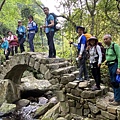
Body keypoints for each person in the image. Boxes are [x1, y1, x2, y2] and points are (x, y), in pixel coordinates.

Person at [103, 34, 120, 105]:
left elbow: (119, 56)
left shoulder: (115, 46)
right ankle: (116, 96)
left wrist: (119, 67)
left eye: (106, 39)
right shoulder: (107, 47)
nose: (105, 40)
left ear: (110, 39)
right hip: (110, 65)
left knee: (116, 82)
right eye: (104, 39)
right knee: (113, 81)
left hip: (115, 65)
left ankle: (117, 100)